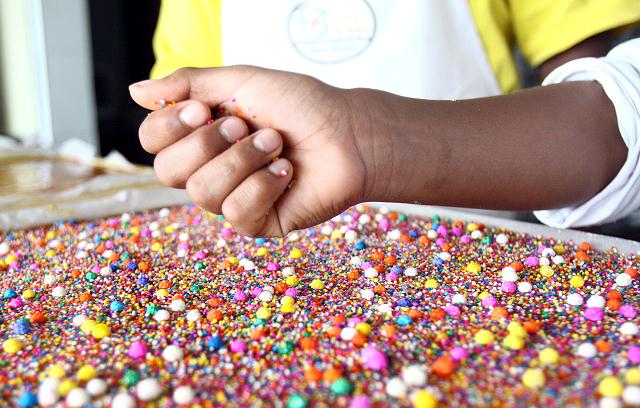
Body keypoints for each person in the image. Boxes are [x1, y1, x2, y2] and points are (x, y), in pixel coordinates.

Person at [129, 1, 640, 237]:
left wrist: (366, 141)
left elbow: (594, 90)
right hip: (274, 260)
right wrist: (203, 145)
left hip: (478, 245)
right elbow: (185, 116)